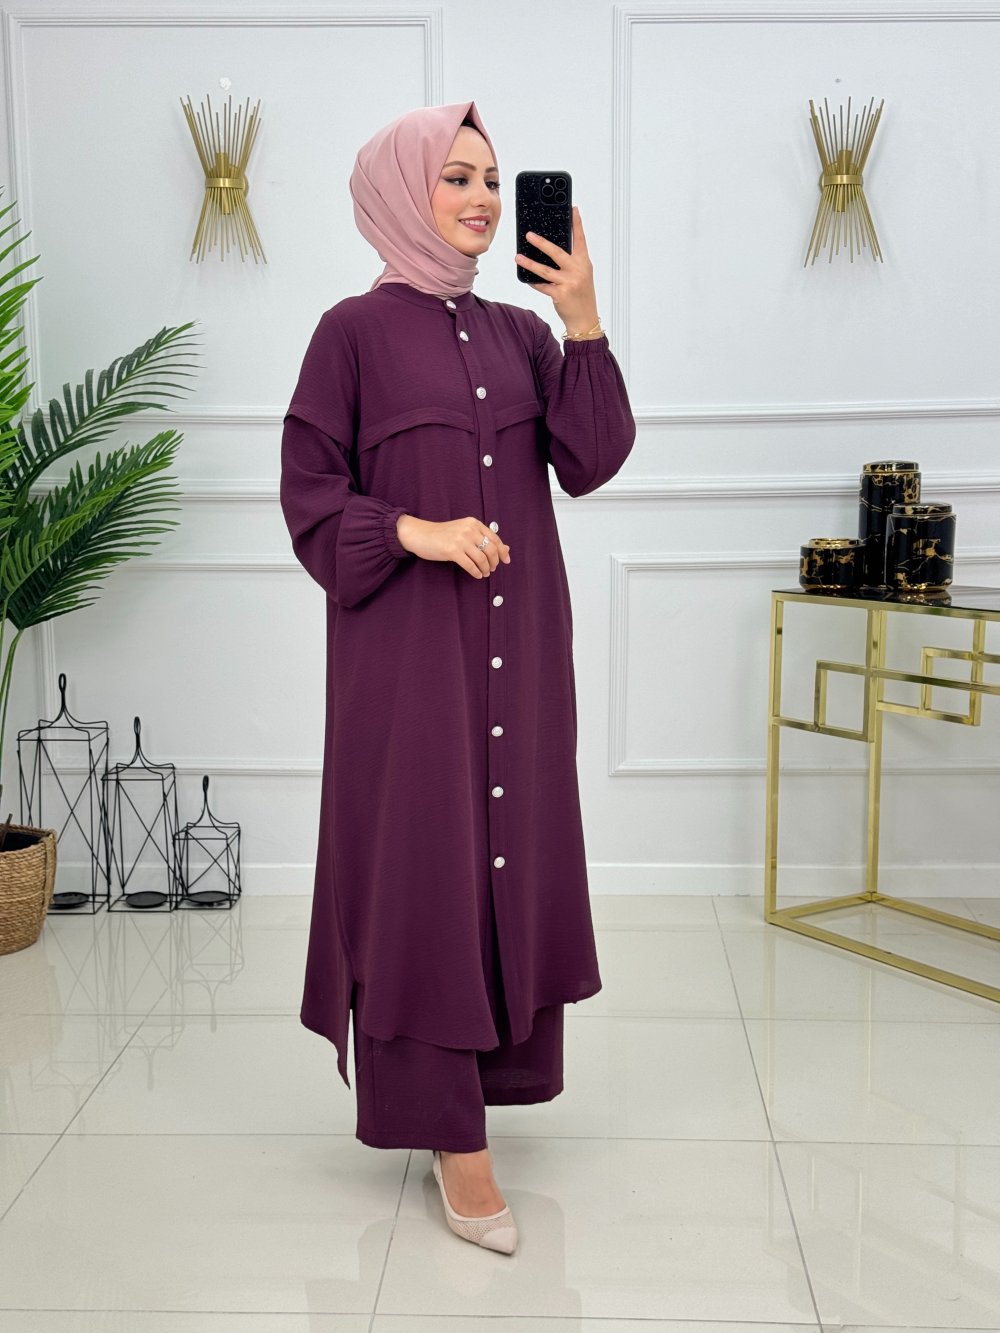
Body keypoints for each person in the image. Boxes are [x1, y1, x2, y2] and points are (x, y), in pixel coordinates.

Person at [279, 100, 635, 1254]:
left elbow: (590, 459)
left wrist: (581, 319)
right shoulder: (349, 334)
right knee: (421, 869)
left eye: (491, 178)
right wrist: (412, 531)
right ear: (402, 191)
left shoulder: (521, 334)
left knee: (506, 856)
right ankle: (448, 1136)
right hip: (406, 661)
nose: (482, 198)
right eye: (455, 177)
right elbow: (307, 492)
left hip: (518, 651)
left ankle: (485, 1085)